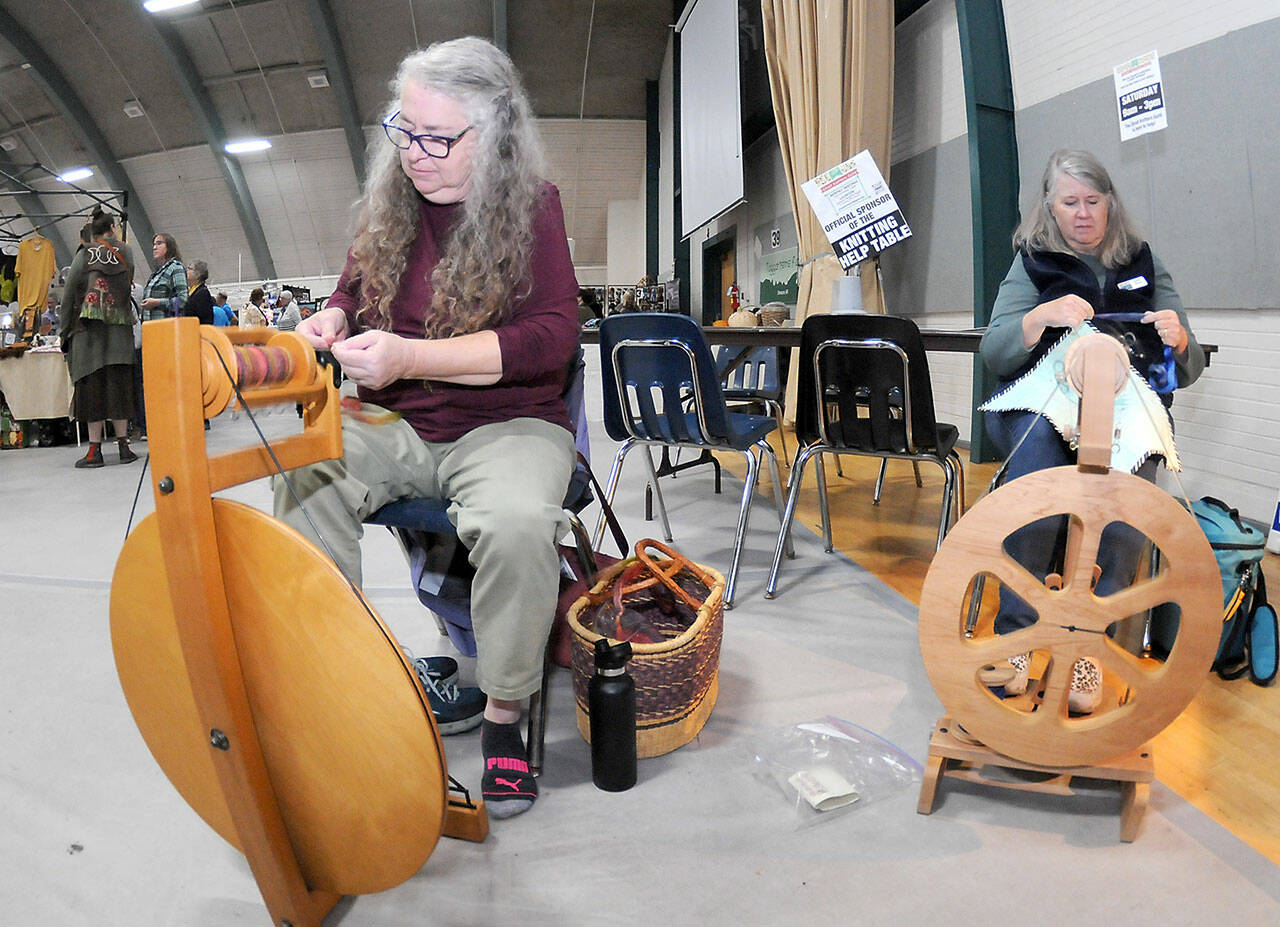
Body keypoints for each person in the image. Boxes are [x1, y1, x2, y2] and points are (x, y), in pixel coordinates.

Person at [277, 36, 578, 819]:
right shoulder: (392, 203)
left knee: (516, 523)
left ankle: (506, 716)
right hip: (404, 422)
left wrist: (411, 352)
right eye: (404, 131)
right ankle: (344, 683)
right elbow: (350, 286)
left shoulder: (534, 207)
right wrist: (334, 314)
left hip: (508, 423)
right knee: (306, 468)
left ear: (496, 136)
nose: (416, 153)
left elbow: (552, 338)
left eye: (439, 138)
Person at [979, 148, 1204, 713]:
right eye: (1069, 202)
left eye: (1093, 200)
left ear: (1110, 203)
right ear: (1050, 208)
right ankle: (1018, 638)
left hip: (1127, 409)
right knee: (1036, 477)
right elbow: (994, 350)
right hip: (1043, 406)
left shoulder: (1144, 262)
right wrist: (1037, 319)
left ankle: (1088, 651)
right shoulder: (1031, 261)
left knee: (1126, 500)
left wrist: (1178, 338)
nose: (1082, 213)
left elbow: (1192, 363)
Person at [58, 208, 138, 468]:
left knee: (92, 392)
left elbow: (69, 294)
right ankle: (124, 446)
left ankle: (94, 451)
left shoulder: (84, 255)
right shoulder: (126, 253)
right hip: (120, 335)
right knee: (119, 390)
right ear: (113, 228)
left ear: (92, 233)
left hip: (88, 337)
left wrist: (63, 332)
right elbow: (128, 283)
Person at [139, 234, 186, 321]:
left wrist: (157, 302)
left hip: (166, 327)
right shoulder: (157, 272)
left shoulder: (176, 268)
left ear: (169, 246)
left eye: (159, 243)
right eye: (154, 244)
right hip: (151, 327)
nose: (154, 248)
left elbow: (183, 300)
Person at [182, 261, 215, 326]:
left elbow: (206, 319)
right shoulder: (190, 291)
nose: (186, 270)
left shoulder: (203, 293)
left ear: (198, 274)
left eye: (189, 268)